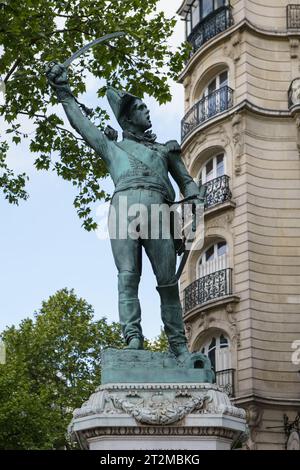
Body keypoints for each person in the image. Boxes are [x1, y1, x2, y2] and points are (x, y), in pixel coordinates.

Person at [46, 62, 204, 363]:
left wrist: (194, 205)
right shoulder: (111, 148)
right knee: (127, 277)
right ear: (128, 117)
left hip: (159, 210)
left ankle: (178, 344)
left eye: (146, 107)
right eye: (141, 108)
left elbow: (187, 183)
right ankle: (133, 337)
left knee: (167, 281)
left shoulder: (164, 150)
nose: (147, 111)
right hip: (123, 209)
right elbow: (82, 124)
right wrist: (63, 92)